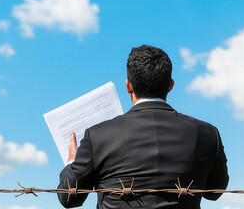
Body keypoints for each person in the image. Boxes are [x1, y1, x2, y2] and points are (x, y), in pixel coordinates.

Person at [57, 45, 229, 209]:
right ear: (170, 85)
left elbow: (69, 198)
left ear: (128, 85)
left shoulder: (97, 136)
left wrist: (72, 161)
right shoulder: (208, 134)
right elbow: (215, 192)